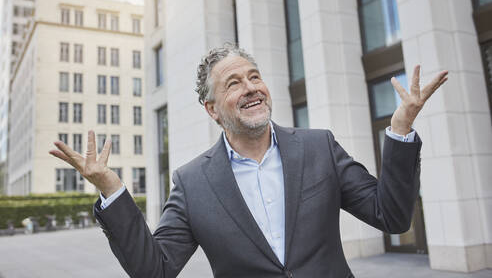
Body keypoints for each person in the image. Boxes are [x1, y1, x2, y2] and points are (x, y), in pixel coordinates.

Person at [50, 44, 448, 277]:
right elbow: (155, 269)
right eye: (234, 83)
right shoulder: (192, 184)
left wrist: (398, 130)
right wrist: (110, 189)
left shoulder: (318, 147)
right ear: (211, 109)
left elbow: (392, 216)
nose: (251, 89)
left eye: (254, 77)